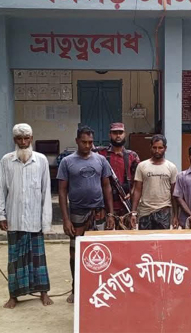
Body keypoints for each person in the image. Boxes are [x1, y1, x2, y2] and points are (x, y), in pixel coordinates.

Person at [0, 123, 53, 308]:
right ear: (15, 140)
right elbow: (1, 189)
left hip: (35, 219)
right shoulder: (6, 161)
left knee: (38, 258)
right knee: (15, 259)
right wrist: (0, 215)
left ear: (31, 139)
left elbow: (46, 192)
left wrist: (46, 221)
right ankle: (14, 295)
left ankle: (43, 293)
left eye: (26, 138)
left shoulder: (41, 160)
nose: (23, 142)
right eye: (19, 138)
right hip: (15, 218)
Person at [57, 126, 115, 304]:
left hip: (99, 212)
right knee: (75, 253)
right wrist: (66, 219)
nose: (88, 146)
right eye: (84, 142)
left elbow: (106, 186)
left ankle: (99, 287)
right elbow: (62, 191)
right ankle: (76, 289)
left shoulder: (101, 160)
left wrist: (111, 214)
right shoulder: (67, 162)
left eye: (90, 142)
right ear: (77, 141)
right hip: (77, 213)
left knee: (100, 252)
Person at [95, 122, 140, 228]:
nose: (118, 135)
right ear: (110, 135)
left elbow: (139, 180)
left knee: (126, 236)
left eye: (120, 132)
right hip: (105, 206)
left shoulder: (132, 156)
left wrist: (132, 191)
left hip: (126, 207)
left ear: (125, 134)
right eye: (115, 133)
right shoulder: (100, 153)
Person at [130, 134, 178, 230]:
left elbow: (174, 193)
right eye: (154, 147)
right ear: (150, 147)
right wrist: (133, 213)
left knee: (162, 239)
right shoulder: (142, 166)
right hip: (145, 212)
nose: (157, 151)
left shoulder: (171, 167)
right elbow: (137, 190)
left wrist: (175, 215)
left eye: (160, 148)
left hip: (164, 212)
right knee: (145, 238)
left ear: (165, 148)